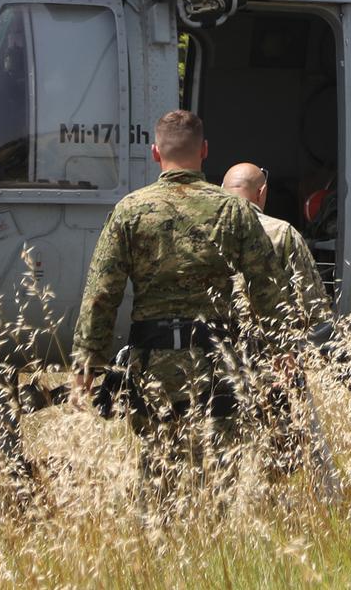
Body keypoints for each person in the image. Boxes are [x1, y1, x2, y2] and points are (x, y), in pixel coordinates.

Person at [71, 110, 291, 500]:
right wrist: (282, 351)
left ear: (155, 153)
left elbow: (102, 293)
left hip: (152, 363)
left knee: (157, 465)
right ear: (204, 151)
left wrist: (88, 361)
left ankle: (158, 545)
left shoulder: (130, 211)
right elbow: (267, 288)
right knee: (218, 473)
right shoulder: (234, 210)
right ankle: (208, 547)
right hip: (215, 362)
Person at [220, 163, 334, 333]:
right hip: (270, 344)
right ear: (262, 192)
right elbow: (313, 305)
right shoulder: (282, 233)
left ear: (221, 189)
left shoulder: (205, 230)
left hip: (212, 345)